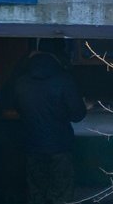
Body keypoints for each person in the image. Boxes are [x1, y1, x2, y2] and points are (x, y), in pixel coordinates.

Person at [14, 46, 87, 204]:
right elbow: (78, 115)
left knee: (36, 193)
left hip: (32, 146)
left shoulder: (21, 83)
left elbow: (16, 110)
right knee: (62, 193)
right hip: (60, 146)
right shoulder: (64, 80)